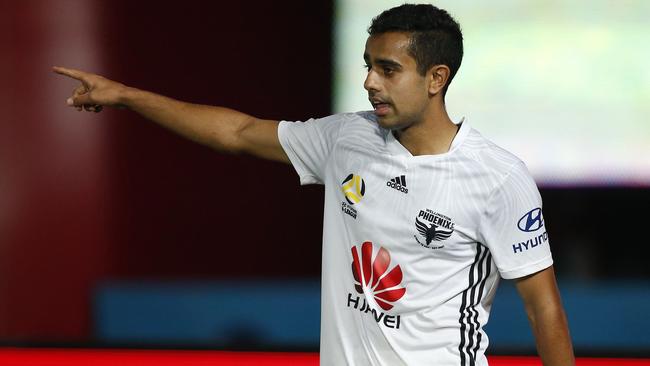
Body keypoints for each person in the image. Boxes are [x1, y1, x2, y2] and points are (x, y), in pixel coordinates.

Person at [54, 4, 574, 366]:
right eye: (368, 65)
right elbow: (236, 132)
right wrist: (126, 95)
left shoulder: (499, 178)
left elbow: (542, 306)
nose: (370, 81)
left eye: (388, 69)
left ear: (436, 78)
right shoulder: (347, 138)